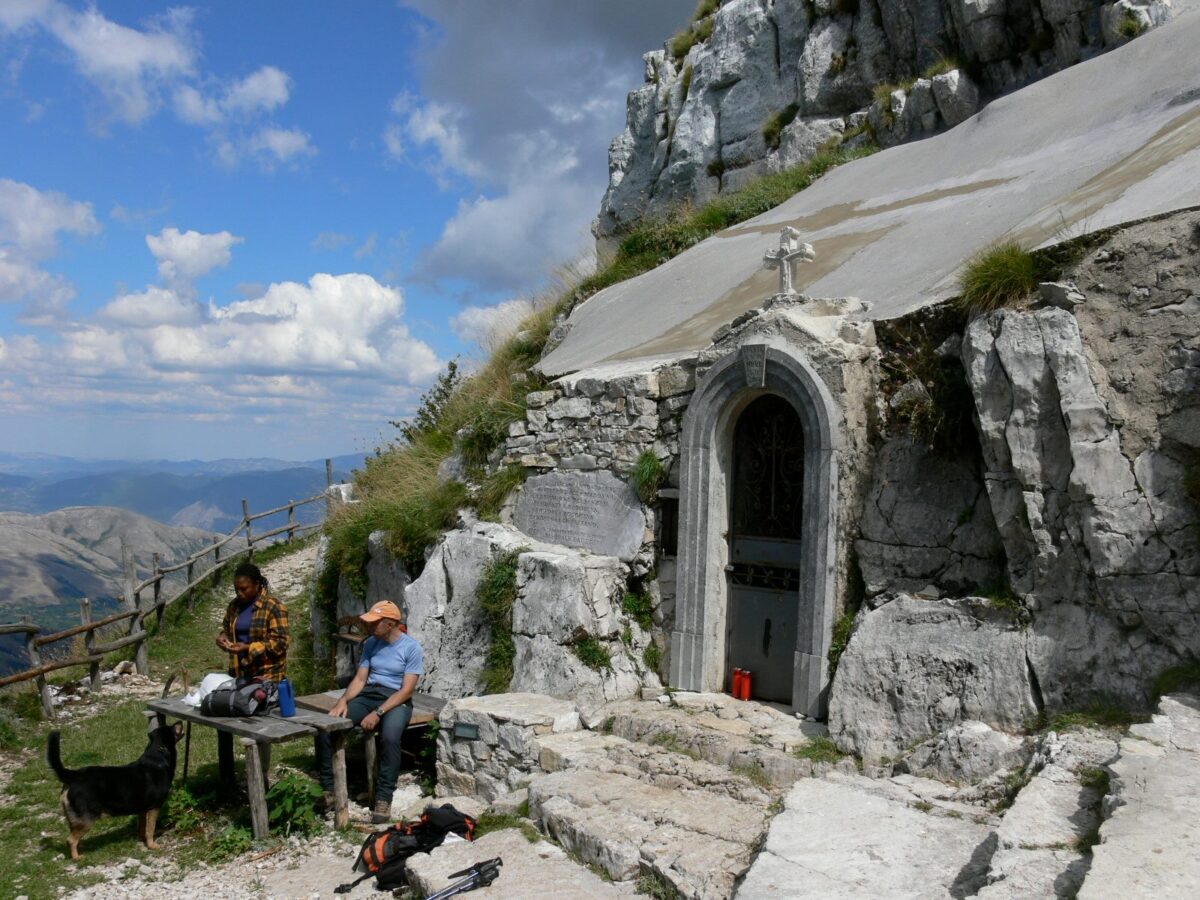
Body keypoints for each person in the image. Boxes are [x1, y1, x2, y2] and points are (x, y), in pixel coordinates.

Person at [317, 600, 424, 823]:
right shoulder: (371, 644)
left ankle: (384, 798)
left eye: (375, 623)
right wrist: (343, 701)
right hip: (370, 694)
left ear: (391, 623)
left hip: (396, 700)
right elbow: (360, 678)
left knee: (390, 736)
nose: (370, 627)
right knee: (327, 726)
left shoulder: (411, 648)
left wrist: (378, 712)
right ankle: (329, 790)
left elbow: (406, 691)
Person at [215, 562, 289, 683]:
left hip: (267, 676)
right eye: (236, 589)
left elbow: (281, 643)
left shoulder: (274, 607)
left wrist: (248, 648)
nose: (239, 593)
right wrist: (223, 638)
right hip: (240, 673)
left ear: (257, 584)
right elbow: (228, 630)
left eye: (244, 589)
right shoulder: (234, 606)